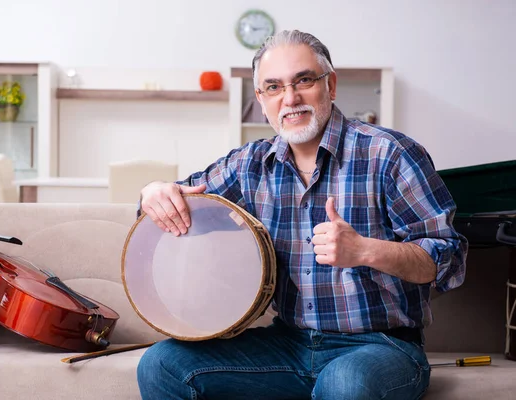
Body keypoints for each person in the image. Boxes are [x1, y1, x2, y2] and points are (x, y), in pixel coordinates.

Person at [135, 30, 468, 400]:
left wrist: (366, 251)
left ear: (331, 85)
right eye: (273, 87)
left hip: (380, 347)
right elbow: (176, 204)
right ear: (261, 100)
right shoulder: (249, 164)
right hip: (288, 344)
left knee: (344, 385)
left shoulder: (390, 154)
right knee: (162, 364)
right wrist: (153, 191)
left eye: (304, 80)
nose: (290, 99)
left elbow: (449, 259)